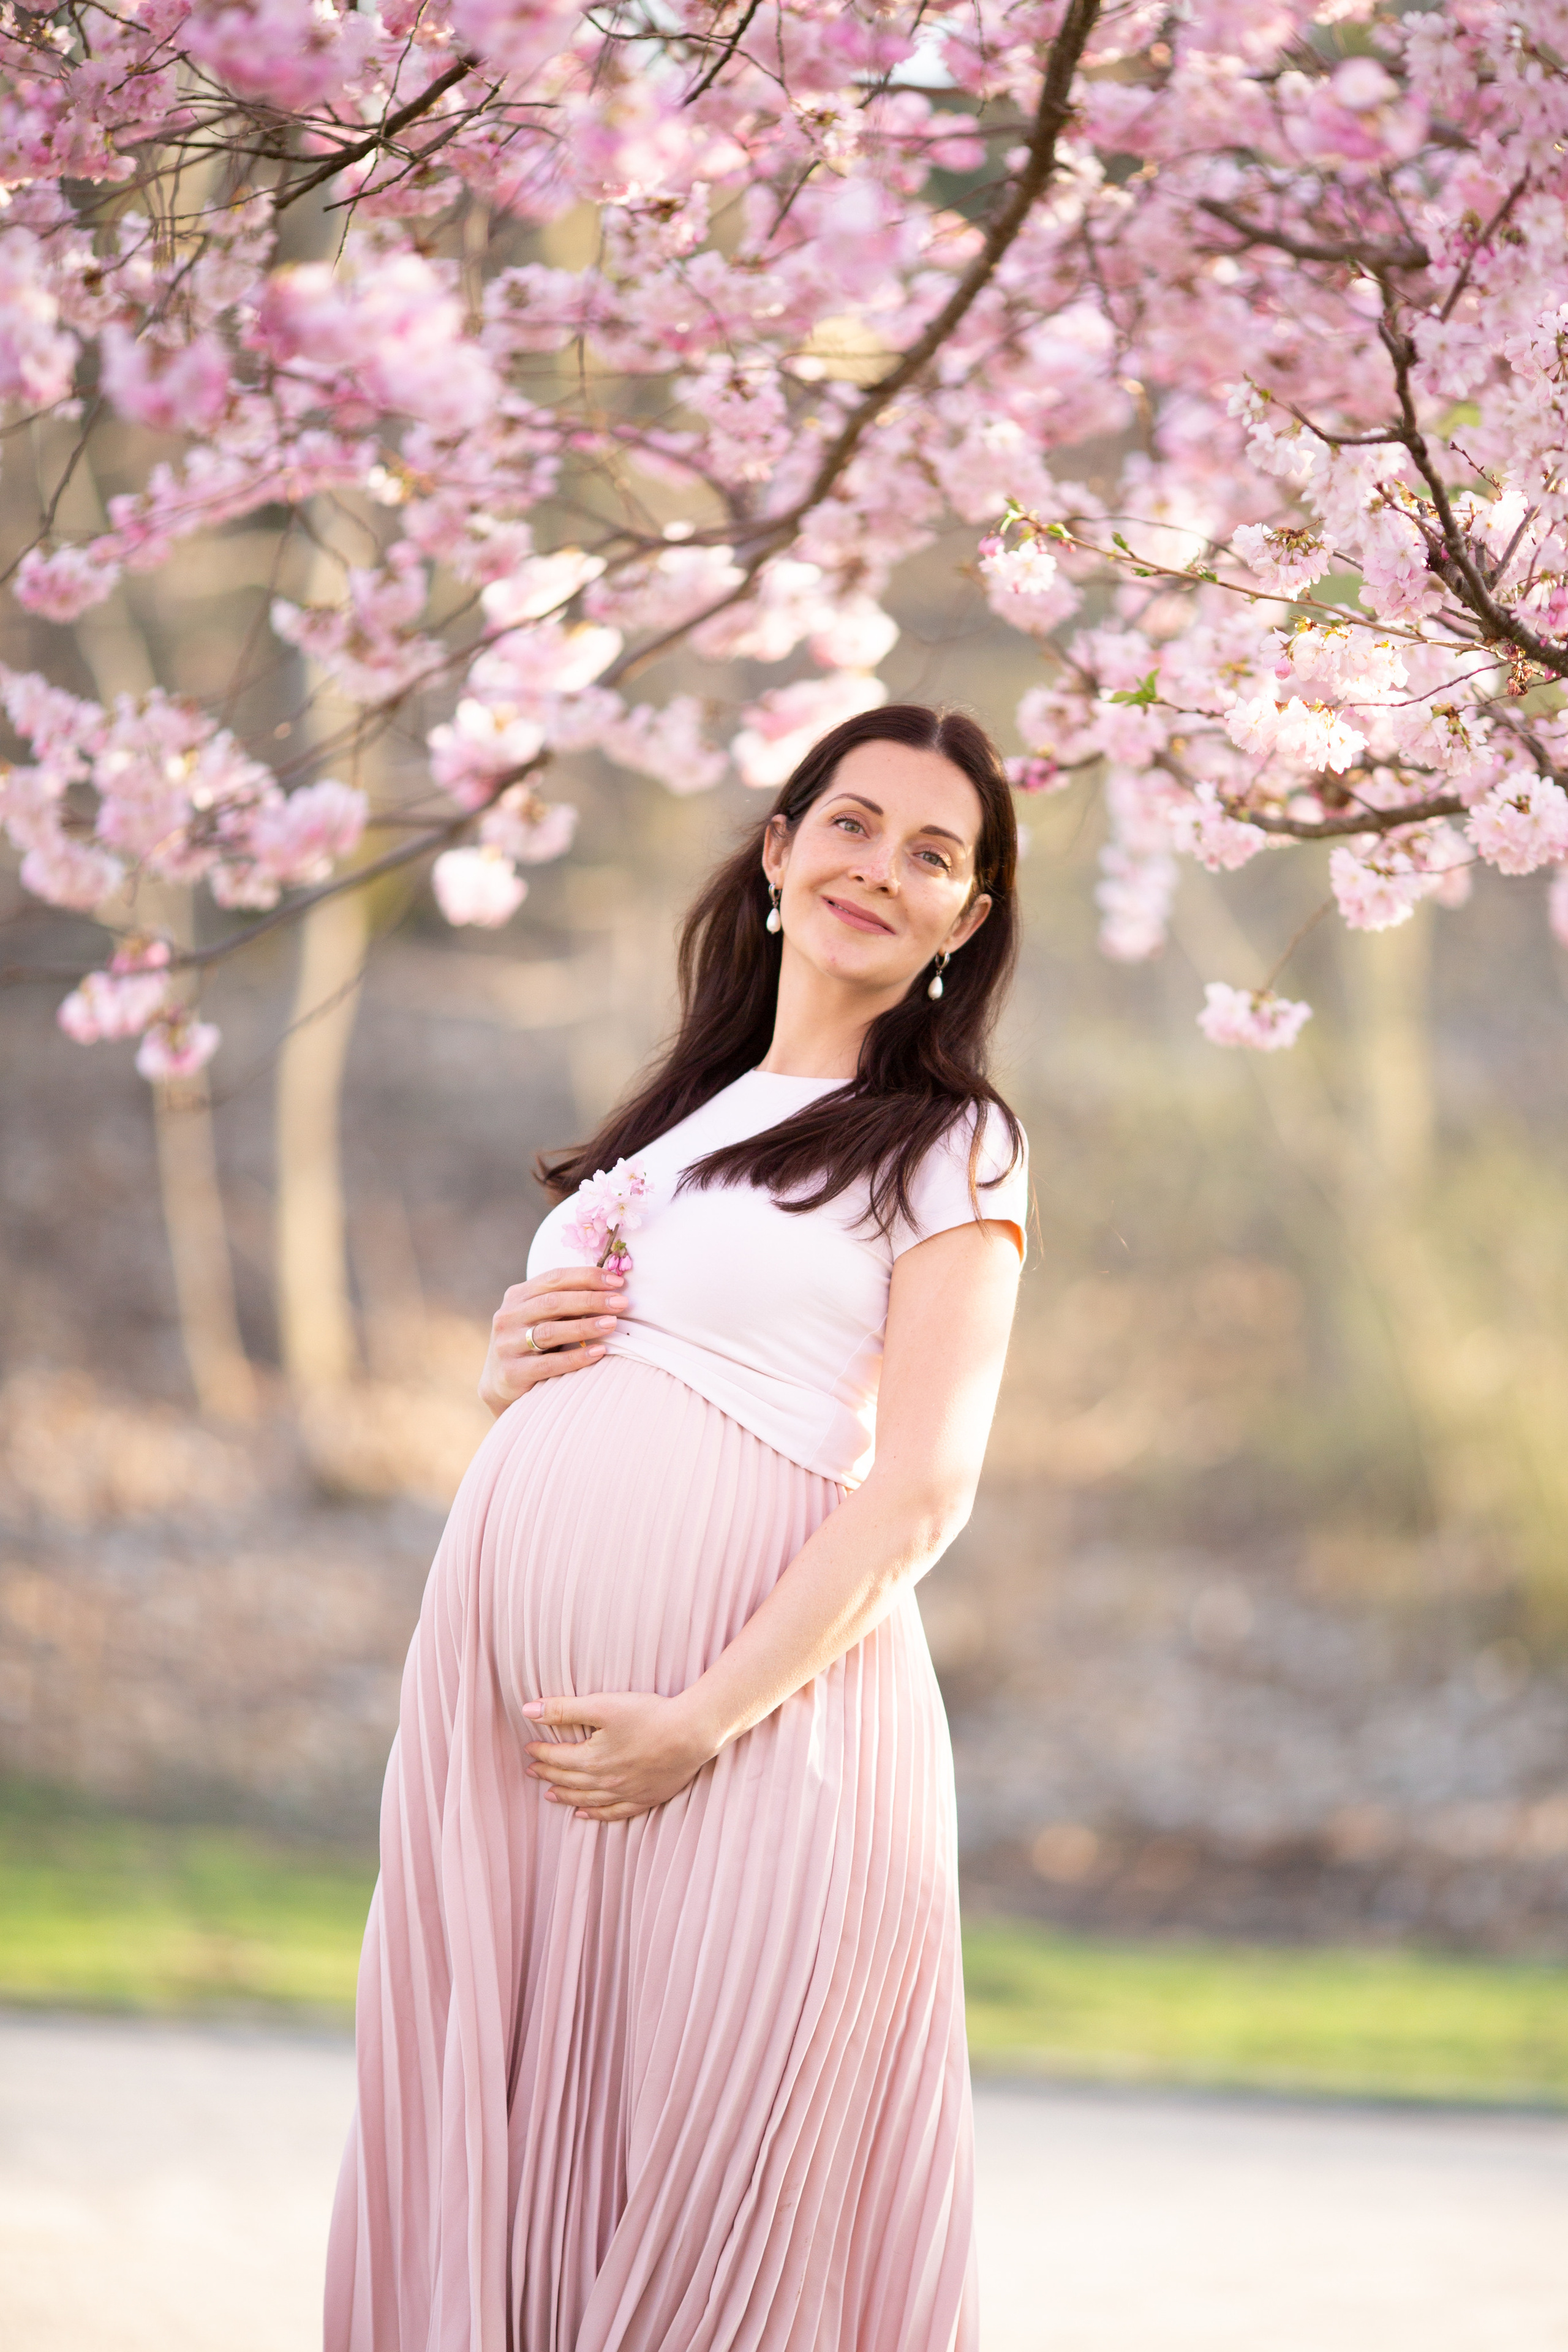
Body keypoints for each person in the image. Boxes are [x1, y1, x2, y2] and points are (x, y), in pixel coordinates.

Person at [325, 703, 1029, 2352]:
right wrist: (514, 1375)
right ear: (779, 851)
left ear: (967, 919)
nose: (881, 869)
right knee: (528, 2217)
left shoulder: (956, 1146)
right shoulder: (679, 1117)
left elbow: (926, 1487)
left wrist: (699, 1722)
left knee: (710, 2242)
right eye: (852, 824)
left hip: (754, 1742)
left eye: (933, 854)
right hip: (536, 1769)